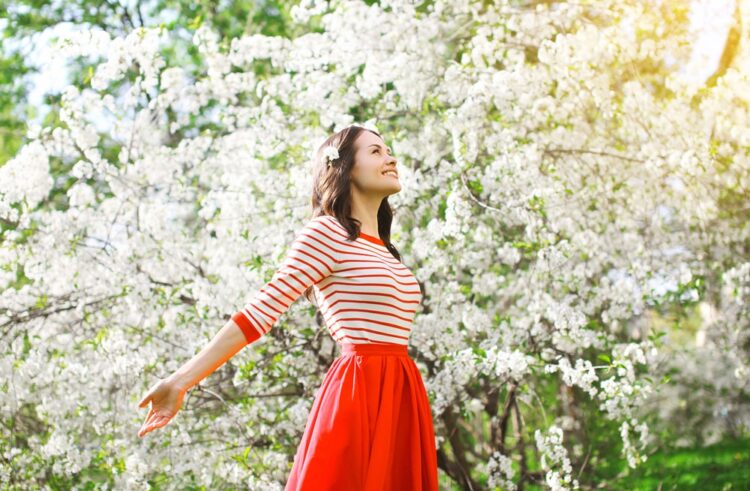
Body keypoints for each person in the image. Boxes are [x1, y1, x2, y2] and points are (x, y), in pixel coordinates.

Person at [136, 125, 439, 490]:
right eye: (375, 152)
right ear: (343, 168)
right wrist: (181, 381)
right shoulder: (327, 233)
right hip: (359, 392)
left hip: (402, 392)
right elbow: (261, 311)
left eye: (389, 151)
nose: (390, 158)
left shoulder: (384, 248)